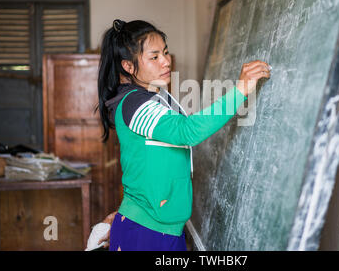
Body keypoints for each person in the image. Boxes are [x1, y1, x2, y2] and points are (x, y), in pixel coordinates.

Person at [96, 19, 270, 251]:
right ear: (128, 66)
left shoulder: (156, 97)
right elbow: (188, 131)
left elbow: (146, 166)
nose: (166, 61)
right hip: (147, 233)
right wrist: (240, 89)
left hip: (164, 229)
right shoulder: (134, 104)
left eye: (165, 53)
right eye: (154, 57)